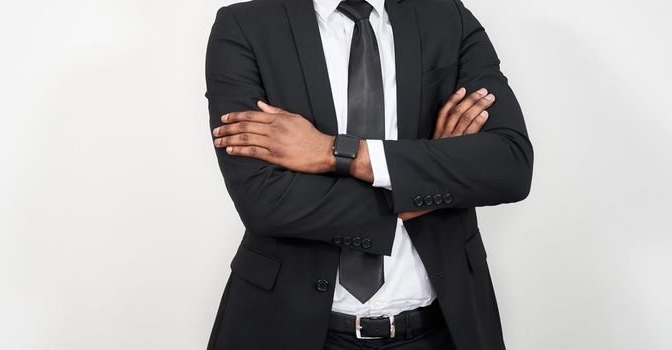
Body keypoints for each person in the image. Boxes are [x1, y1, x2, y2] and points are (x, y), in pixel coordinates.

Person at [204, 0, 533, 348]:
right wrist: (425, 179)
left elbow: (510, 165)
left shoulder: (447, 16)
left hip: (442, 329)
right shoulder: (244, 27)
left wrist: (336, 152)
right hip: (286, 325)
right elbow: (264, 201)